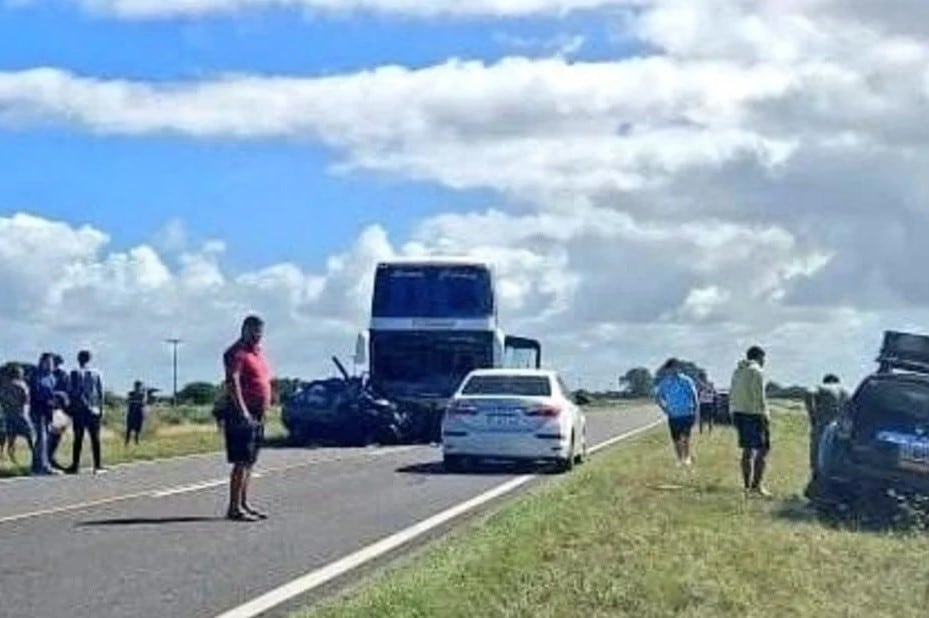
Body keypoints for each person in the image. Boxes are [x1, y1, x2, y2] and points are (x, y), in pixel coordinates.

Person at [221, 315, 272, 522]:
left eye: (260, 332)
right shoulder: (236, 353)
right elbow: (232, 381)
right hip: (242, 413)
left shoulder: (257, 353)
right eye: (254, 331)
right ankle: (234, 508)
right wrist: (242, 411)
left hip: (258, 412)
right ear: (244, 330)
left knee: (250, 461)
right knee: (241, 460)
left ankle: (244, 503)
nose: (257, 335)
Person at [729, 346, 771, 497]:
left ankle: (747, 486)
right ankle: (756, 486)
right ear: (759, 357)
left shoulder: (737, 371)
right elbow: (759, 396)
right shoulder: (757, 371)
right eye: (763, 358)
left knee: (747, 451)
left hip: (739, 413)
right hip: (755, 414)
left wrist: (732, 412)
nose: (764, 361)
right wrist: (765, 415)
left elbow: (732, 393)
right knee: (763, 450)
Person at [67, 349, 106, 474]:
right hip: (94, 409)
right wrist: (101, 408)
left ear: (78, 359)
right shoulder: (96, 373)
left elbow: (73, 391)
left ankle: (75, 465)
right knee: (95, 438)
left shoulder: (74, 372)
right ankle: (97, 465)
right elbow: (100, 393)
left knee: (78, 438)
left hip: (80, 410)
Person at [654, 358, 699, 467]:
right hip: (673, 415)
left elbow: (694, 396)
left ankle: (687, 457)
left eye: (673, 368)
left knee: (686, 437)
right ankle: (679, 458)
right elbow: (658, 397)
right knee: (676, 439)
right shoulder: (665, 383)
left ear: (677, 368)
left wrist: (696, 410)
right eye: (669, 369)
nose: (671, 371)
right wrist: (665, 409)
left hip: (687, 413)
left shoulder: (686, 380)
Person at [804, 374, 849, 473]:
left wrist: (812, 414)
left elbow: (809, 392)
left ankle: (816, 472)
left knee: (817, 449)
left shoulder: (822, 387)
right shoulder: (845, 390)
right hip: (840, 426)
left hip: (823, 423)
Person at [28, 353, 59, 475]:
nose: (51, 364)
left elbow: (53, 391)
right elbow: (36, 393)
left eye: (52, 362)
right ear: (42, 362)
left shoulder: (52, 377)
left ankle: (37, 466)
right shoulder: (36, 375)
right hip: (38, 410)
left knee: (46, 439)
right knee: (42, 439)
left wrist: (57, 399)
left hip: (49, 411)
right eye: (48, 362)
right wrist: (48, 400)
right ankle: (43, 466)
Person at [0, 364, 34, 466]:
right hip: (21, 414)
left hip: (8, 415)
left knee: (11, 438)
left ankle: (11, 458)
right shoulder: (22, 385)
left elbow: (2, 401)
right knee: (30, 436)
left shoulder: (4, 386)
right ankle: (36, 456)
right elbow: (26, 400)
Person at [126, 381, 147, 446]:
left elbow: (144, 403)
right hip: (131, 412)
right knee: (129, 428)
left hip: (139, 412)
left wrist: (134, 401)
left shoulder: (142, 394)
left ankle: (136, 442)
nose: (137, 387)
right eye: (136, 386)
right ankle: (127, 442)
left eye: (139, 386)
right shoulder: (131, 393)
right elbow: (127, 401)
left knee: (138, 428)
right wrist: (136, 402)